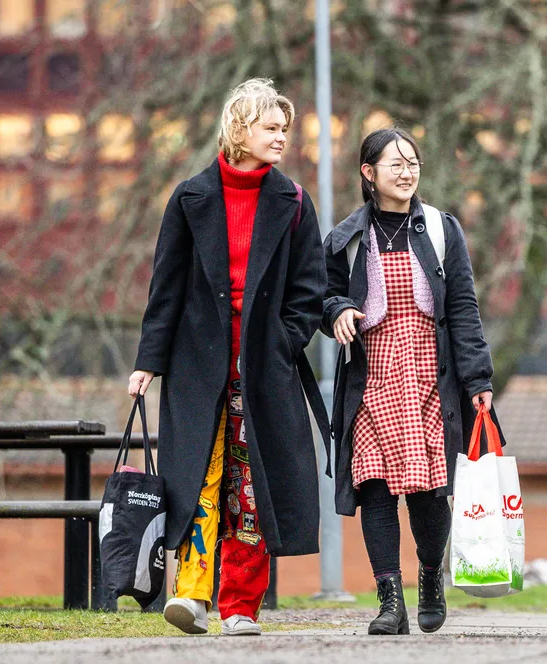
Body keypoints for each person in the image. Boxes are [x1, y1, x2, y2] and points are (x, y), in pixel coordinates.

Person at [127, 78, 329, 637]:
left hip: (265, 370)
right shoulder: (190, 197)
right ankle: (191, 594)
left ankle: (240, 604)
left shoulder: (294, 203)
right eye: (271, 127)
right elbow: (165, 288)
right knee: (198, 476)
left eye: (285, 129)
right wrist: (148, 362)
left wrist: (284, 342)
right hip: (197, 367)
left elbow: (309, 290)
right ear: (240, 128)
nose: (282, 137)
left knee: (251, 486)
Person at [323, 127, 498, 636]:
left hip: (430, 377)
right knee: (375, 488)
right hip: (371, 378)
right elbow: (321, 296)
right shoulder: (347, 238)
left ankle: (429, 574)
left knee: (428, 492)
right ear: (368, 172)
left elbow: (463, 309)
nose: (406, 173)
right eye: (395, 164)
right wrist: (337, 310)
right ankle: (389, 603)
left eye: (413, 163)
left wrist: (478, 379)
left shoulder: (442, 229)